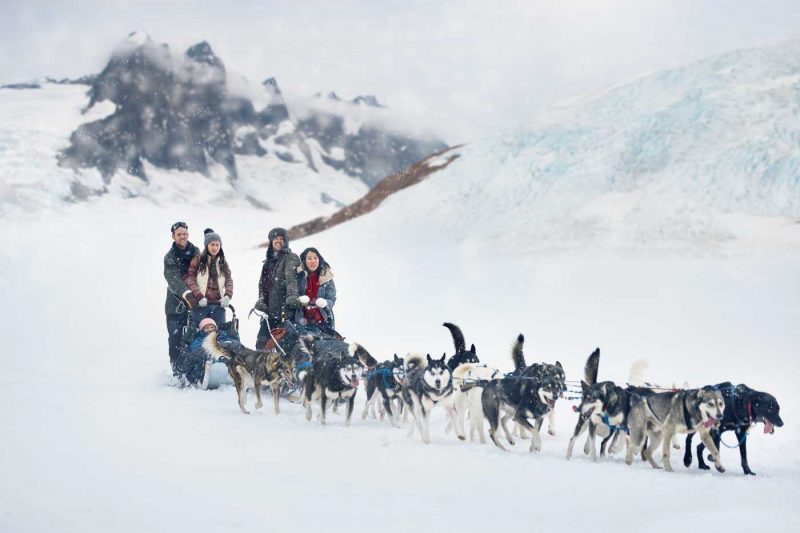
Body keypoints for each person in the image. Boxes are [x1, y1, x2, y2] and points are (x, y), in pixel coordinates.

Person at [255, 227, 301, 347]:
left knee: (284, 345)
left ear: (286, 241)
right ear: (271, 241)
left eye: (282, 238)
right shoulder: (268, 262)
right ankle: (264, 366)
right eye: (276, 238)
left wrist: (292, 296)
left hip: (285, 311)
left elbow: (291, 280)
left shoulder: (290, 257)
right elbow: (262, 285)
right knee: (262, 344)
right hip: (269, 311)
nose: (278, 241)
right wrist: (261, 300)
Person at [164, 221, 200, 374]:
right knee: (176, 338)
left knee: (194, 336)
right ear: (173, 236)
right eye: (179, 234)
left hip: (196, 303)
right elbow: (173, 279)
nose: (182, 236)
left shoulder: (196, 252)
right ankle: (176, 369)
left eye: (184, 234)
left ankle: (193, 369)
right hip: (175, 305)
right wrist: (186, 294)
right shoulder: (169, 257)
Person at [186, 228, 233, 328]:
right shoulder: (198, 260)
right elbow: (190, 279)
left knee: (220, 334)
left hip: (218, 305)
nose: (215, 248)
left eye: (217, 245)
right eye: (212, 244)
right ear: (207, 246)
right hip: (200, 305)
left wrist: (227, 296)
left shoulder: (223, 263)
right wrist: (199, 296)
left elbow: (229, 280)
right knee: (199, 335)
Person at [295, 247, 337, 330]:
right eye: (309, 258)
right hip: (301, 322)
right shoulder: (298, 276)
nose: (313, 261)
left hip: (323, 321)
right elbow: (291, 295)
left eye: (315, 258)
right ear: (304, 260)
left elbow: (332, 299)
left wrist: (325, 303)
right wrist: (299, 300)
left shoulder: (326, 276)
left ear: (319, 259)